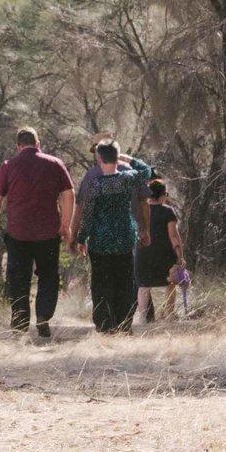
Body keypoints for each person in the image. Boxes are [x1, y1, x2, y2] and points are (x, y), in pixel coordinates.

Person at [0, 128, 76, 340]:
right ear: (38, 145)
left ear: (18, 147)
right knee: (48, 275)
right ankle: (43, 317)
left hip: (18, 232)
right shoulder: (55, 164)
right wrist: (66, 225)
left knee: (18, 277)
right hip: (47, 233)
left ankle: (20, 321)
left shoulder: (9, 166)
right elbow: (68, 194)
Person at [73, 140, 141, 333]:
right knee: (125, 283)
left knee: (101, 284)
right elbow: (146, 171)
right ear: (117, 158)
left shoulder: (95, 185)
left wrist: (81, 238)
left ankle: (104, 325)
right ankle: (124, 323)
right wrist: (131, 160)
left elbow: (87, 215)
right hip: (124, 240)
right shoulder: (128, 178)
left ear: (99, 159)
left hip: (100, 243)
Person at [136, 177, 186, 322]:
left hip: (143, 252)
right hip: (163, 254)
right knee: (170, 283)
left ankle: (142, 317)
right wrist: (180, 256)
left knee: (143, 286)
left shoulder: (139, 210)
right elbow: (174, 236)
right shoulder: (167, 211)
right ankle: (169, 315)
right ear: (162, 195)